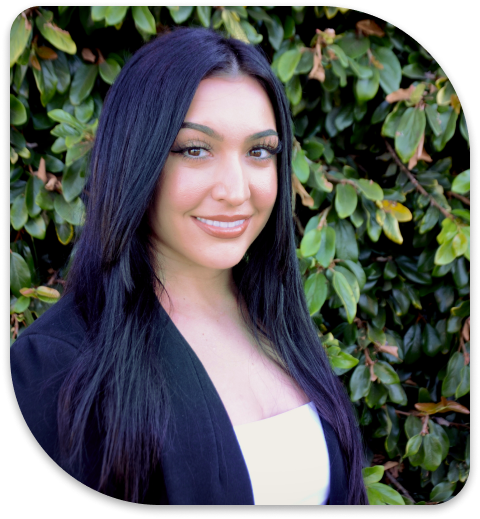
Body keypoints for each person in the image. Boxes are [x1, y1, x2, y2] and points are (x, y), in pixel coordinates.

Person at [10, 26, 369, 505]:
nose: (237, 191)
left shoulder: (279, 323)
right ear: (137, 159)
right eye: (195, 150)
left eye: (259, 151)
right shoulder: (58, 366)